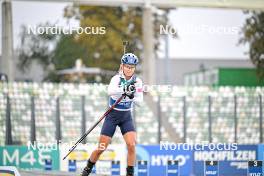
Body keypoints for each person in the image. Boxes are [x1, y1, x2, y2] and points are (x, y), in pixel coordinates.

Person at [81, 53, 143, 176]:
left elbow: (140, 101)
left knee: (131, 145)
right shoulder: (116, 79)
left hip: (126, 117)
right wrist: (124, 90)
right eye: (127, 66)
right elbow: (110, 91)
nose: (129, 69)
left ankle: (130, 174)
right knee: (101, 148)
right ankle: (87, 169)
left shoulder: (138, 82)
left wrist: (132, 95)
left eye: (132, 67)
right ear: (122, 66)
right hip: (112, 116)